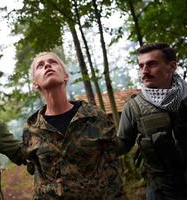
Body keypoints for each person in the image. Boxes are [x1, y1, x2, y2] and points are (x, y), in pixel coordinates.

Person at [22, 52, 126, 199]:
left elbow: (113, 167)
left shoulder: (95, 116)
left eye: (53, 62)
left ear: (65, 76)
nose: (47, 65)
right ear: (35, 84)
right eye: (40, 65)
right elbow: (37, 175)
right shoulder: (31, 129)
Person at [117, 42, 187, 200]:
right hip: (163, 193)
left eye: (151, 64)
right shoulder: (133, 108)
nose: (144, 71)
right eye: (141, 66)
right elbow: (121, 146)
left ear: (172, 66)